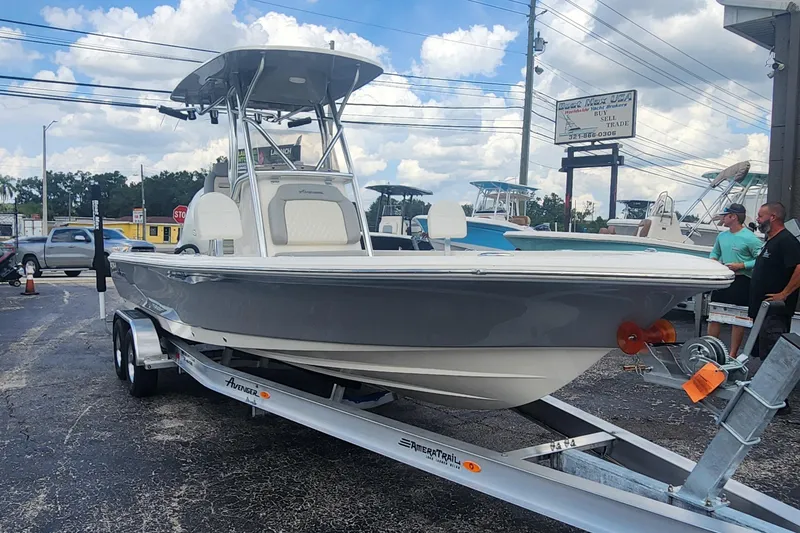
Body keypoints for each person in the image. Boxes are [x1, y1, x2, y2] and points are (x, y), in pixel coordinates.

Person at [748, 201, 800, 416]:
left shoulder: (786, 241)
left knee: (773, 353)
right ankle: (766, 395)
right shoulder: (770, 241)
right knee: (763, 352)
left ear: (773, 217)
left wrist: (784, 293)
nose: (757, 220)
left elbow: (799, 267)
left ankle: (779, 402)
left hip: (775, 311)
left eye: (761, 216)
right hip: (762, 310)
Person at [706, 203, 763, 357]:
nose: (722, 219)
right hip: (724, 279)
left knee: (738, 319)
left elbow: (761, 260)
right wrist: (714, 261)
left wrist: (742, 265)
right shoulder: (722, 236)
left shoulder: (751, 238)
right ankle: (711, 350)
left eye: (725, 216)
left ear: (733, 217)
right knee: (714, 315)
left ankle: (732, 354)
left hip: (742, 280)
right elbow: (715, 253)